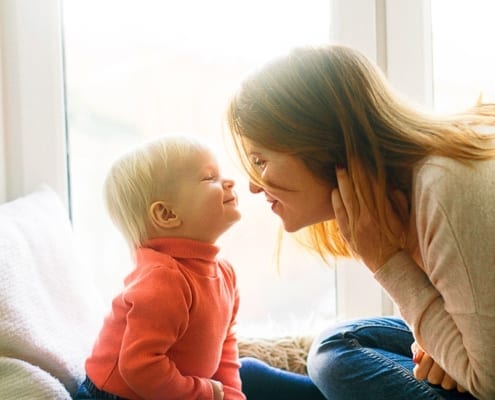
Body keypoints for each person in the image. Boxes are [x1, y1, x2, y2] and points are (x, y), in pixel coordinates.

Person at [225, 44, 495, 399]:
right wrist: (439, 344)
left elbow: (488, 379)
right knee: (339, 343)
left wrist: (387, 263)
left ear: (318, 143)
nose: (253, 185)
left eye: (260, 161)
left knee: (334, 358)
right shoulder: (418, 188)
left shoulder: (443, 186)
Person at [75, 134, 245, 400]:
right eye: (209, 177)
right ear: (167, 214)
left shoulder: (225, 274)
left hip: (169, 388)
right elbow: (140, 367)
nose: (229, 181)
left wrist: (230, 394)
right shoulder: (164, 280)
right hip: (120, 395)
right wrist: (204, 393)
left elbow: (226, 346)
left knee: (257, 371)